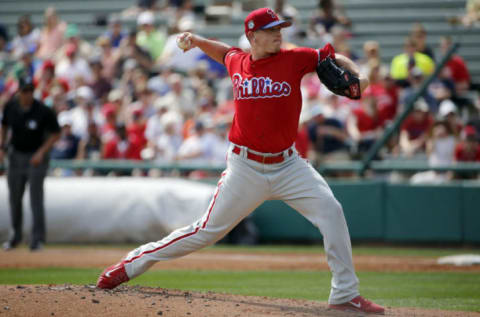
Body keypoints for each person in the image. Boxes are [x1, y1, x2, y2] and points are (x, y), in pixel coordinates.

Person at [96, 8, 384, 315]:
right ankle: (130, 265)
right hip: (245, 168)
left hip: (289, 166)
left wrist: (361, 77)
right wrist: (195, 40)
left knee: (332, 212)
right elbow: (223, 52)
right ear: (252, 36)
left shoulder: (294, 58)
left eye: (280, 28)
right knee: (204, 232)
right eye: (272, 29)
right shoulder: (238, 61)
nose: (279, 33)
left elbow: (332, 56)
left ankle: (344, 294)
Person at [0, 76, 60, 251]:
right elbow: (4, 126)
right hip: (15, 155)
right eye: (24, 91)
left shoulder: (42, 110)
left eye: (30, 91)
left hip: (35, 157)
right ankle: (15, 237)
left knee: (36, 198)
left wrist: (41, 152)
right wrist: (2, 146)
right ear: (19, 91)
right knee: (14, 198)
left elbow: (55, 133)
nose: (27, 94)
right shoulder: (11, 107)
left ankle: (37, 239)